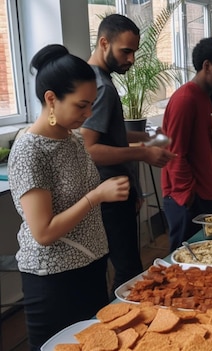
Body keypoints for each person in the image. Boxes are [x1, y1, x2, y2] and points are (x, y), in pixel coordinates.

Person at [9, 44, 130, 351]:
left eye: (91, 105)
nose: (88, 114)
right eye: (81, 106)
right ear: (51, 99)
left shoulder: (73, 138)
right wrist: (96, 196)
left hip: (90, 267)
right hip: (54, 280)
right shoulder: (29, 150)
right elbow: (44, 232)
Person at [81, 14, 176, 290]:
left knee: (124, 267)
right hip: (106, 193)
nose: (132, 59)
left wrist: (146, 137)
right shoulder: (100, 87)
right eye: (126, 51)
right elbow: (91, 149)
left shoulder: (97, 80)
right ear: (103, 43)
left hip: (114, 190)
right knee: (128, 271)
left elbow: (109, 133)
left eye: (134, 51)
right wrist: (143, 153)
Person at [161, 38, 212, 253]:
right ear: (207, 66)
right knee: (184, 261)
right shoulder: (185, 99)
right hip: (189, 199)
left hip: (208, 192)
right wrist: (187, 197)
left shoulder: (206, 97)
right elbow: (174, 153)